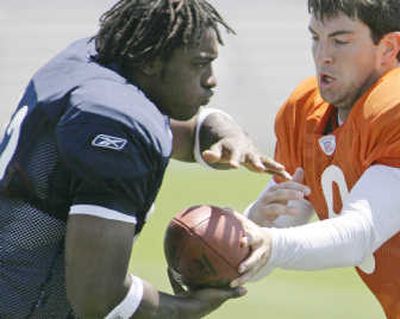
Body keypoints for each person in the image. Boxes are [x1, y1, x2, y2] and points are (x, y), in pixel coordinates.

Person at [0, 0, 288, 318]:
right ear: (150, 60)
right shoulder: (114, 122)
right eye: (199, 64)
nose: (211, 80)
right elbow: (99, 296)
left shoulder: (91, 60)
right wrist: (185, 309)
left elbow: (166, 124)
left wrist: (229, 133)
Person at [231, 1, 400, 318]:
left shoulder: (394, 108)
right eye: (315, 37)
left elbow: (357, 234)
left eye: (340, 40)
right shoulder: (306, 112)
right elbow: (276, 232)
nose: (323, 55)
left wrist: (270, 242)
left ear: (388, 48)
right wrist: (245, 230)